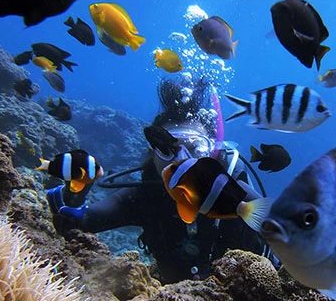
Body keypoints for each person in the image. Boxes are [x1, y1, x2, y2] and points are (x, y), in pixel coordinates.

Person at [46, 77, 271, 284]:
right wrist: (75, 191)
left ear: (212, 151)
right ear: (152, 154)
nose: (182, 160)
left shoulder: (235, 193)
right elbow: (77, 223)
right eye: (167, 150)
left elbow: (287, 228)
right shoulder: (143, 198)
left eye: (195, 147)